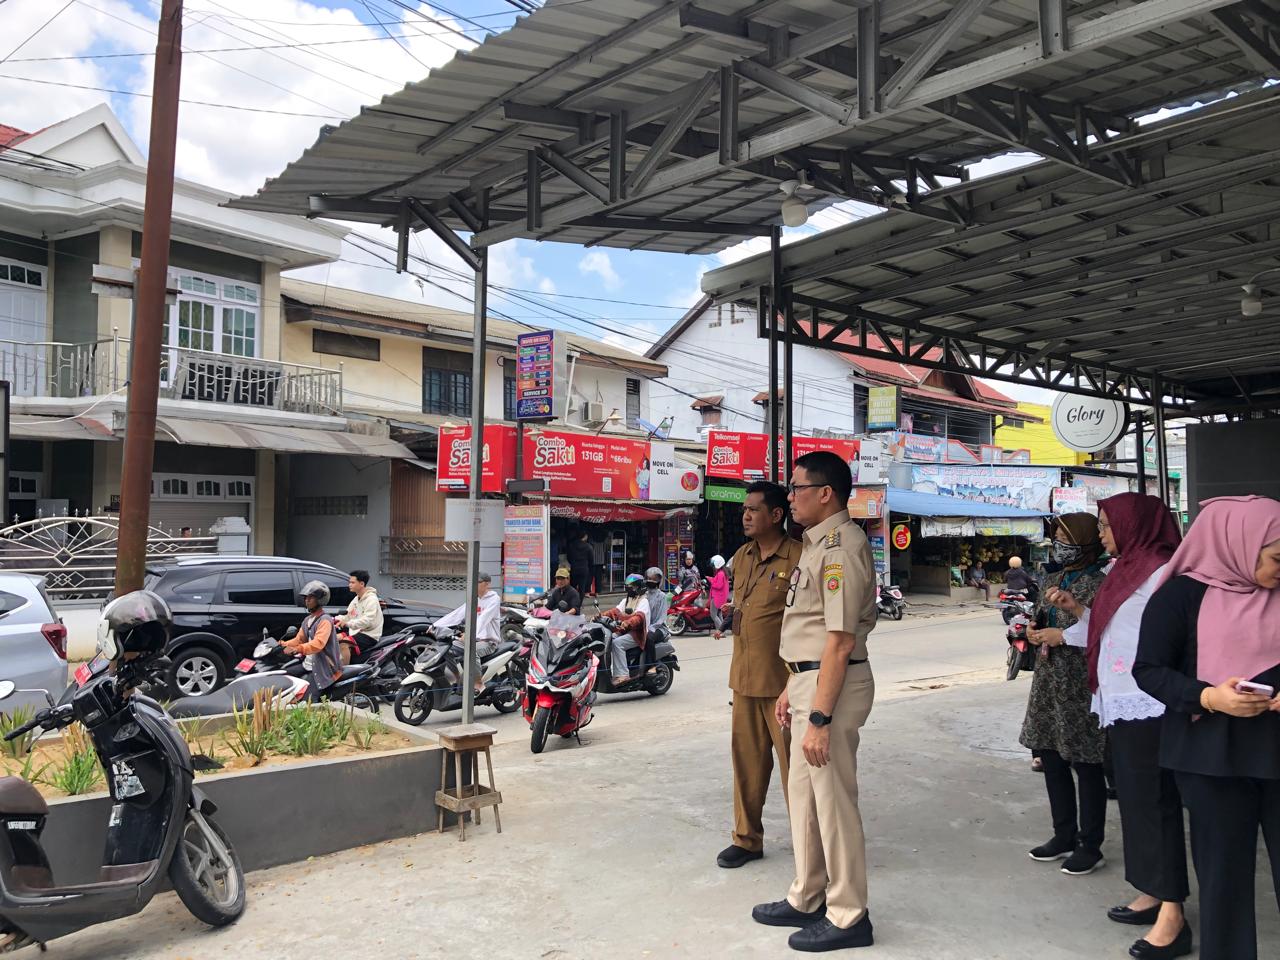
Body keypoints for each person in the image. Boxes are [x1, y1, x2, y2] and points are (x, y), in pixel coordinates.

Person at [1134, 496, 1280, 960]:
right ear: (1239, 544)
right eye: (1277, 557)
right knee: (1223, 883)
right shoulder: (1180, 596)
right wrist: (1208, 696)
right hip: (1209, 757)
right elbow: (1149, 670)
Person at [1050, 495, 1190, 958]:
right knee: (1134, 802)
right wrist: (1077, 611)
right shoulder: (1125, 568)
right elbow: (1110, 631)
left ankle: (1174, 913)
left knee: (1155, 804)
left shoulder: (1162, 570)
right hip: (1118, 702)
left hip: (1149, 703)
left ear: (1135, 525)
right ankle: (1151, 890)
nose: (1105, 534)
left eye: (1109, 525)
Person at [752, 451, 878, 952]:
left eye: (797, 488)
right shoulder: (814, 544)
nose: (790, 497)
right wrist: (791, 687)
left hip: (836, 686)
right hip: (810, 681)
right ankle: (808, 894)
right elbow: (807, 632)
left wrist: (820, 717)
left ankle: (849, 915)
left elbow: (839, 640)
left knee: (833, 804)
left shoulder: (841, 547)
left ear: (825, 493)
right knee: (803, 798)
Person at [1019, 513, 1110, 876]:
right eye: (1056, 537)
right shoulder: (1053, 578)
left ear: (1085, 541)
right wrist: (1034, 629)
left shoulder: (1101, 584)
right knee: (1052, 758)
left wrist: (1063, 636)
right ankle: (1063, 835)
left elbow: (1108, 631)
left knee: (1087, 764)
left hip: (1081, 683)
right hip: (1049, 680)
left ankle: (1091, 844)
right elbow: (1042, 617)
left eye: (1065, 538)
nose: (1058, 544)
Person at [718, 480, 800, 870]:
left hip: (785, 686)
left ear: (777, 515)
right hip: (745, 680)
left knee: (796, 773)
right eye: (744, 510)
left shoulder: (799, 557)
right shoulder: (743, 556)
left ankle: (810, 847)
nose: (746, 515)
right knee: (747, 766)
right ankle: (747, 840)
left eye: (753, 509)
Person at [432, 572, 502, 693]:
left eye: (477, 582)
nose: (474, 585)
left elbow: (483, 619)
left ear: (487, 584)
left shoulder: (494, 599)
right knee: (446, 648)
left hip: (488, 642)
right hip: (473, 638)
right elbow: (457, 614)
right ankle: (456, 679)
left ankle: (478, 683)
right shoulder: (473, 599)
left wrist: (470, 634)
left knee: (471, 650)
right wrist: (436, 625)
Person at [281, 580, 343, 702]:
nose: (307, 600)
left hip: (323, 668)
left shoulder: (325, 621)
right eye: (306, 598)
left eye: (311, 598)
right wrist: (281, 645)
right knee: (284, 677)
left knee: (307, 701)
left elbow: (318, 644)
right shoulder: (308, 620)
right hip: (307, 665)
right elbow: (299, 639)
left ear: (320, 600)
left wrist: (297, 649)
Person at [601, 572, 651, 686]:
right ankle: (611, 671)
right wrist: (602, 616)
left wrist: (628, 623)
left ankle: (623, 675)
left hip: (638, 634)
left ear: (639, 587)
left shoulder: (643, 601)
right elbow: (615, 611)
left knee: (617, 643)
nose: (630, 589)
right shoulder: (626, 600)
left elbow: (639, 617)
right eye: (629, 586)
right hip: (625, 631)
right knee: (610, 638)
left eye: (632, 586)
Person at [336, 569, 384, 664]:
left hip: (369, 634)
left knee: (344, 643)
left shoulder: (371, 599)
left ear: (361, 584)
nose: (349, 585)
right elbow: (348, 615)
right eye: (350, 582)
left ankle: (343, 673)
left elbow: (367, 621)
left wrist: (347, 624)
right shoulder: (356, 599)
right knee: (333, 638)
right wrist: (334, 619)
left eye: (352, 582)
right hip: (356, 631)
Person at [708, 555, 730, 633]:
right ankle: (721, 632)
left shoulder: (720, 574)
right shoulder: (722, 573)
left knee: (713, 614)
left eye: (713, 565)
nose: (713, 567)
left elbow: (718, 585)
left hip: (717, 597)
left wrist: (710, 581)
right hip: (720, 597)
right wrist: (711, 579)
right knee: (719, 614)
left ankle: (720, 631)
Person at [644, 567, 670, 632]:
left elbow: (662, 617)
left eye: (654, 579)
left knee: (649, 638)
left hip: (658, 628)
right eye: (649, 579)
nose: (651, 581)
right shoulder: (644, 595)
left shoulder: (662, 596)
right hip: (644, 627)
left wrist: (651, 628)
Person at [567, 530, 593, 596]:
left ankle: (572, 602)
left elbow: (569, 557)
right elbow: (591, 560)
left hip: (574, 568)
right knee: (582, 587)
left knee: (572, 587)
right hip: (584, 568)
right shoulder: (588, 546)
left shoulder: (572, 545)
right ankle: (579, 603)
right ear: (585, 536)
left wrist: (572, 563)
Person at [590, 534, 607, 598]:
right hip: (600, 561)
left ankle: (591, 591)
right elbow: (605, 551)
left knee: (591, 577)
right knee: (598, 577)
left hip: (593, 561)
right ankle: (598, 591)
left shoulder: (591, 542)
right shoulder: (603, 542)